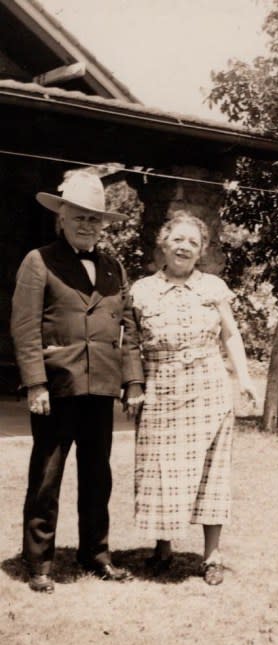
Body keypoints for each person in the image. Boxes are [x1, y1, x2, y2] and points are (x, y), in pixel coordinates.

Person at [10, 171, 145, 593]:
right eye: (79, 217)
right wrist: (35, 384)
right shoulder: (39, 261)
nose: (87, 225)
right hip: (57, 387)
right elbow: (25, 327)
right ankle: (39, 562)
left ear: (102, 224)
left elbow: (129, 327)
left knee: (97, 475)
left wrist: (133, 381)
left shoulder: (113, 266)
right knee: (47, 476)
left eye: (94, 219)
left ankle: (96, 553)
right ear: (61, 218)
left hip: (101, 387)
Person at [131, 210, 257, 585]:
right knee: (161, 469)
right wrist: (132, 385)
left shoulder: (214, 288)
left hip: (208, 388)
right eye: (177, 239)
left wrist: (244, 378)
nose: (184, 247)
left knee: (211, 473)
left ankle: (211, 556)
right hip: (160, 388)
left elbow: (230, 335)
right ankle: (163, 547)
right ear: (163, 244)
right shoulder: (140, 290)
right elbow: (128, 343)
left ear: (201, 250)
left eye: (193, 242)